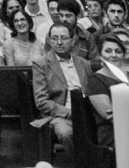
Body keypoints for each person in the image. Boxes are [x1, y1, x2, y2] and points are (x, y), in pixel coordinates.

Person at [29, 22, 90, 157]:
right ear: (49, 40)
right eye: (55, 38)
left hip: (87, 113)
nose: (59, 42)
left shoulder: (84, 64)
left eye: (64, 38)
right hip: (59, 114)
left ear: (73, 40)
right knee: (66, 133)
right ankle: (78, 164)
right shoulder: (41, 64)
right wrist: (69, 113)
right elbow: (41, 101)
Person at [84, 32, 129, 148]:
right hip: (113, 135)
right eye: (108, 51)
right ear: (100, 55)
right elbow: (110, 115)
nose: (113, 55)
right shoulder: (95, 80)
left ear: (123, 55)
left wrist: (122, 108)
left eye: (118, 51)